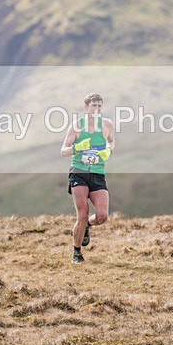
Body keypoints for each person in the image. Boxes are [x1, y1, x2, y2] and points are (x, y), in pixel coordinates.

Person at [60, 93, 115, 264]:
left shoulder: (107, 125)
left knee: (102, 216)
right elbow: (63, 151)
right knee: (82, 215)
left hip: (98, 173)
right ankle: (76, 253)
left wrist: (109, 150)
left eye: (100, 106)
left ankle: (88, 227)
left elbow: (112, 141)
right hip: (79, 172)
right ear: (86, 108)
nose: (97, 109)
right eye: (94, 106)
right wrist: (76, 148)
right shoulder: (76, 126)